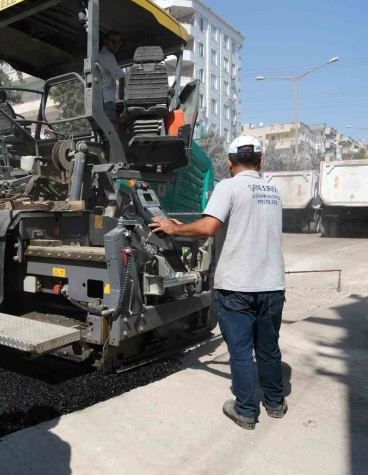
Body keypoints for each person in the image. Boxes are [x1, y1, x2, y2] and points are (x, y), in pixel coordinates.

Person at [149, 135, 287, 430]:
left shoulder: (228, 186)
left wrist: (173, 228)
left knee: (239, 351)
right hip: (272, 285)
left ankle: (246, 410)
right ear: (261, 161)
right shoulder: (274, 191)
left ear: (229, 162)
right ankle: (275, 402)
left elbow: (209, 227)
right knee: (268, 347)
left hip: (238, 285)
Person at [98, 30, 126, 128]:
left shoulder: (102, 55)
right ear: (105, 41)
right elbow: (121, 76)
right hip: (107, 100)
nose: (116, 45)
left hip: (103, 100)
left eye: (119, 43)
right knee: (111, 130)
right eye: (113, 42)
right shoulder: (106, 55)